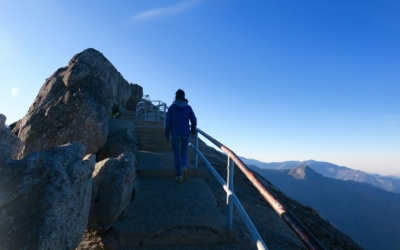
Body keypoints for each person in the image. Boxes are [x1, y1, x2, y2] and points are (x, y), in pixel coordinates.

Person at [165, 89, 197, 183]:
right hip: (185, 133)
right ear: (184, 96)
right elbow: (194, 121)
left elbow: (168, 123)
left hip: (174, 133)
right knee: (184, 154)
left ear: (176, 96)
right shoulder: (188, 108)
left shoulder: (171, 107)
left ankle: (179, 176)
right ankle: (184, 167)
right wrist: (193, 131)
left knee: (176, 155)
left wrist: (167, 135)